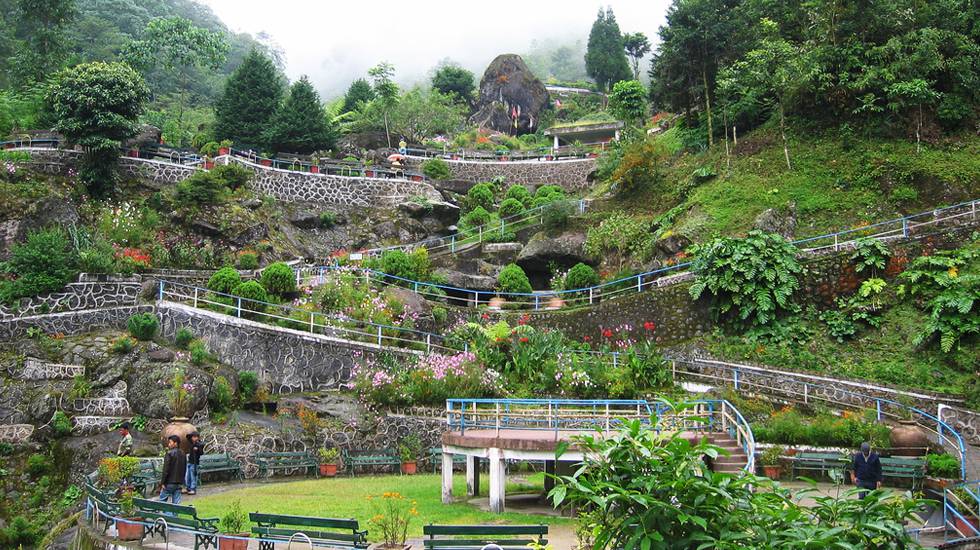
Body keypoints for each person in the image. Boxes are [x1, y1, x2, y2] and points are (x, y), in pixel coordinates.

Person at [159, 435, 186, 504]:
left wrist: (162, 483)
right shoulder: (183, 454)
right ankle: (173, 515)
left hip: (169, 482)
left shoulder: (169, 453)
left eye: (170, 442)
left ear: (175, 443)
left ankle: (166, 515)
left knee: (161, 502)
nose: (169, 444)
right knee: (176, 504)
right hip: (179, 482)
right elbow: (184, 469)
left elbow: (166, 470)